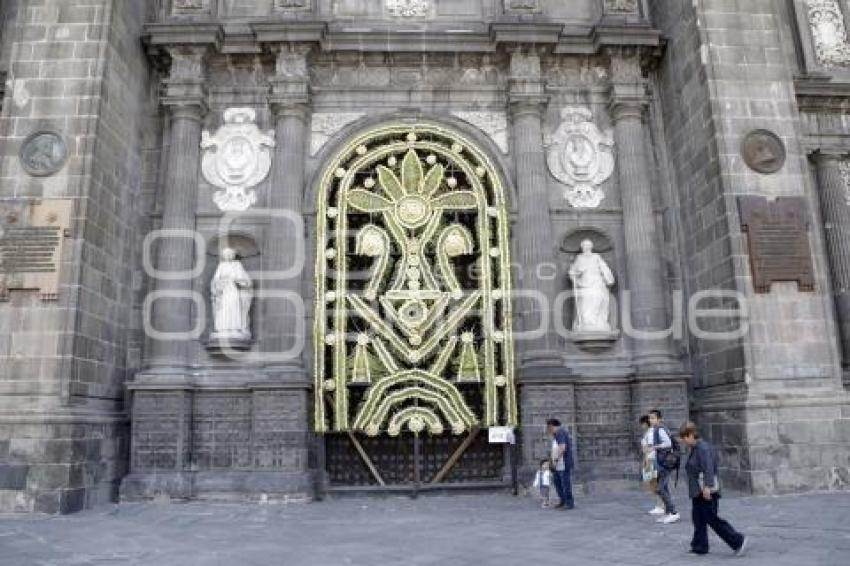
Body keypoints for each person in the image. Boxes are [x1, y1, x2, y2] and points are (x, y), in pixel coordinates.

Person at [679, 422, 749, 557]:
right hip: (698, 492)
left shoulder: (703, 448)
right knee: (698, 518)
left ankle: (738, 540)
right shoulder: (695, 448)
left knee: (712, 519)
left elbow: (708, 468)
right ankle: (699, 546)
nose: (683, 441)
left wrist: (707, 487)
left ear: (691, 435)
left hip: (706, 491)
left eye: (684, 438)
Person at [648, 409, 680, 524]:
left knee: (660, 488)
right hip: (661, 463)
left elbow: (668, 443)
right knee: (663, 488)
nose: (651, 420)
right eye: (650, 418)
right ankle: (669, 513)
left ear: (659, 419)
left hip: (665, 464)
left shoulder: (660, 429)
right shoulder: (657, 429)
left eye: (653, 418)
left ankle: (674, 513)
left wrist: (655, 447)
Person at [546, 418, 575, 509]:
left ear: (552, 426)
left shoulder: (560, 432)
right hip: (558, 464)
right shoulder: (556, 435)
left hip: (563, 463)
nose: (548, 430)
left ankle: (569, 503)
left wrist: (555, 460)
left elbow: (562, 448)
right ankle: (562, 500)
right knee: (557, 483)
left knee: (565, 484)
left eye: (549, 427)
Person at [639, 415, 664, 515]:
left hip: (651, 460)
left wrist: (646, 461)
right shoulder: (650, 433)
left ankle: (660, 505)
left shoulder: (650, 433)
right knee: (652, 483)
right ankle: (659, 505)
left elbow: (649, 449)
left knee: (653, 484)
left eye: (642, 424)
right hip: (650, 459)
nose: (641, 426)